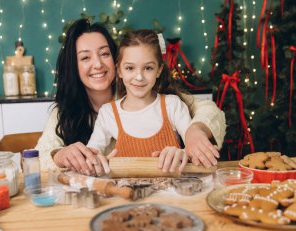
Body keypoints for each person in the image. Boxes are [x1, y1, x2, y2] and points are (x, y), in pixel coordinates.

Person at [36, 19, 226, 176]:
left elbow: (208, 109)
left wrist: (196, 130)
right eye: (85, 57)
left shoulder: (169, 102)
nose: (98, 64)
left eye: (104, 53)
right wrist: (59, 155)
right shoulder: (79, 112)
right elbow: (38, 158)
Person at [86, 29, 190, 176]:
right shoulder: (108, 112)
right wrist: (95, 160)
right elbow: (91, 155)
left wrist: (183, 152)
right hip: (128, 196)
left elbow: (195, 148)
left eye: (148, 68)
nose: (139, 77)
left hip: (171, 195)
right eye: (130, 68)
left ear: (159, 70)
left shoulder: (172, 105)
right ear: (119, 71)